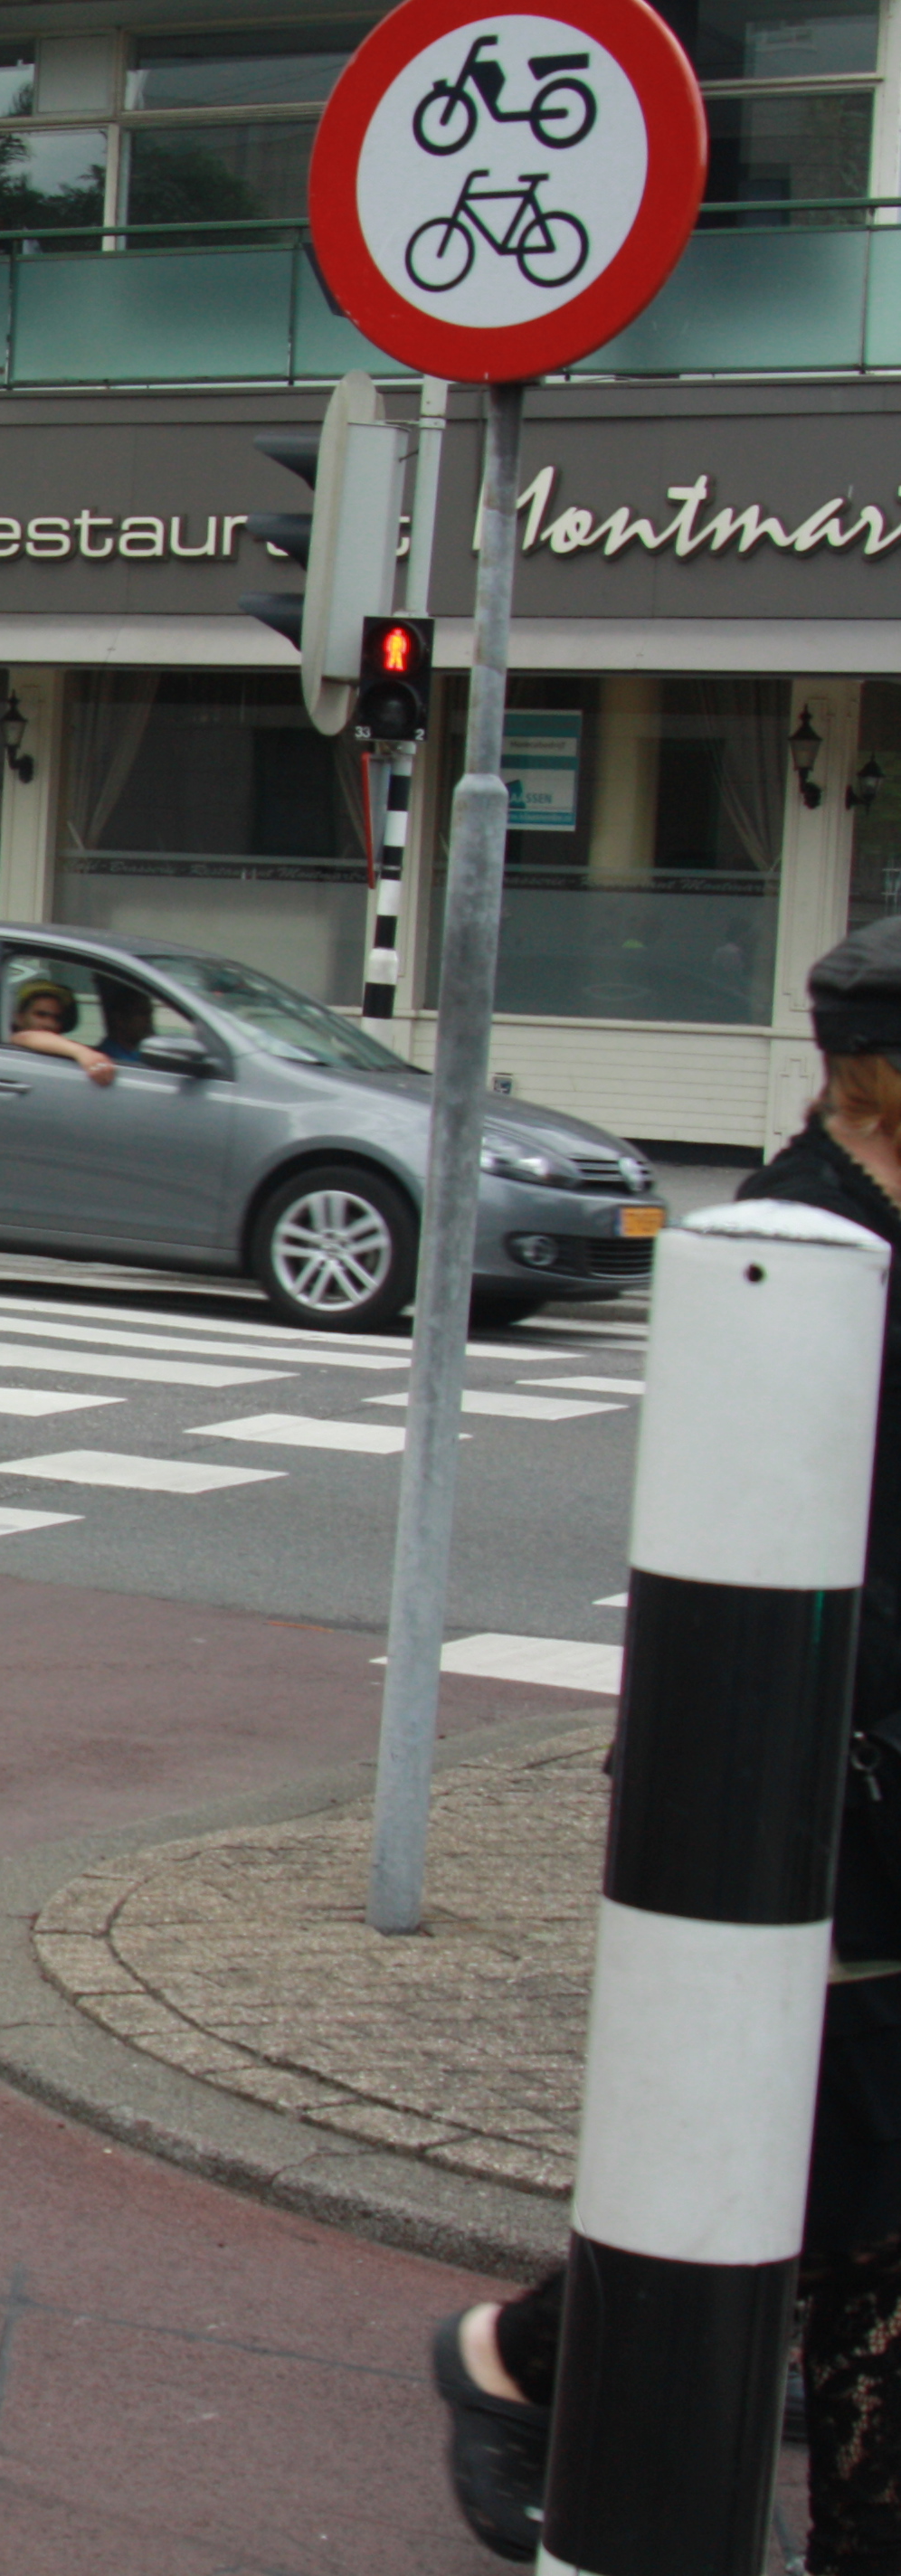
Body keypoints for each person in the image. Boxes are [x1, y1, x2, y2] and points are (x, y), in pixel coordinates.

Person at [431, 914, 901, 2571]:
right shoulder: (799, 1250)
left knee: (800, 2164)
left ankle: (523, 2360)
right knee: (829, 2175)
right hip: (804, 1802)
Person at [5, 981, 117, 1086]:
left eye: (57, 1018)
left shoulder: (63, 1049)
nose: (50, 1023)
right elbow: (27, 1037)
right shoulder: (12, 1042)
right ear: (19, 1018)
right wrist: (85, 1054)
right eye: (41, 1015)